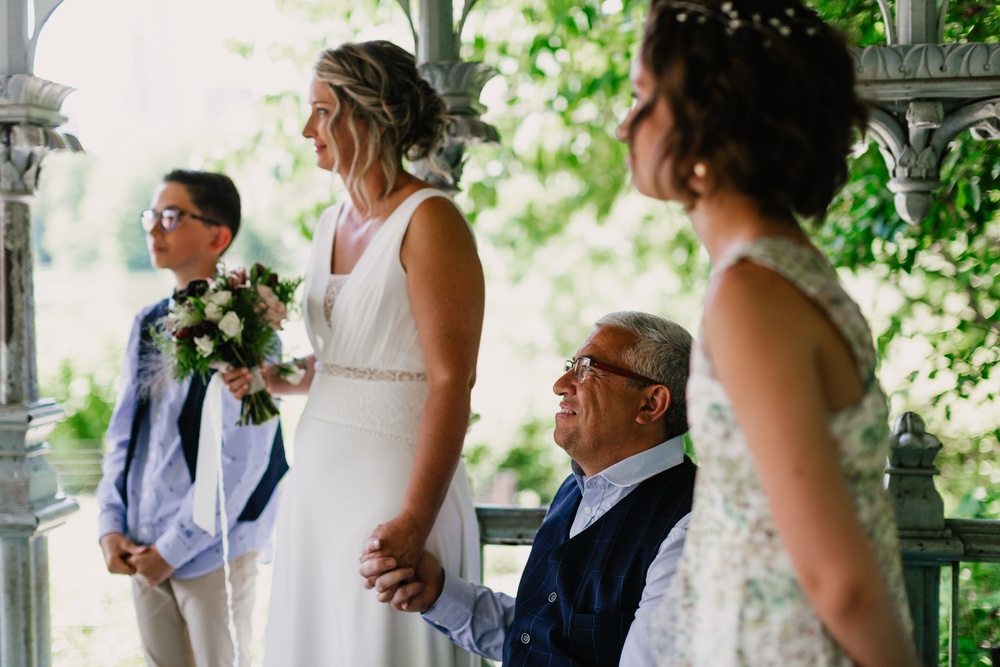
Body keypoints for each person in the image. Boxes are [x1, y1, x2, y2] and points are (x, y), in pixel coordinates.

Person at [614, 1, 919, 665]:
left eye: (642, 98)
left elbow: (839, 580)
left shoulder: (752, 296)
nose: (623, 126)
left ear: (709, 123)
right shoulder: (781, 270)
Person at [222, 40, 484, 666]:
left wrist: (415, 519)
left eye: (321, 110)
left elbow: (452, 380)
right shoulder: (328, 222)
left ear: (365, 116)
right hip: (315, 482)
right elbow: (348, 361)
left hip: (394, 483)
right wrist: (272, 377)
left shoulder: (431, 220)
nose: (307, 129)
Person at [361, 312, 697, 666]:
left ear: (651, 403)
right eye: (572, 365)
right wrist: (438, 593)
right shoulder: (575, 490)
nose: (561, 384)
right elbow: (533, 636)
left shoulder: (692, 528)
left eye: (586, 369)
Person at [96, 169, 288, 667]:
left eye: (171, 216)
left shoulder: (251, 327)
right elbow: (124, 435)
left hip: (211, 550)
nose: (154, 228)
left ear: (217, 235)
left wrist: (174, 548)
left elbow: (243, 458)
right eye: (152, 215)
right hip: (140, 541)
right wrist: (111, 523)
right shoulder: (147, 322)